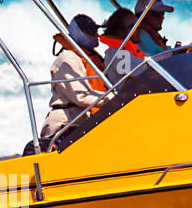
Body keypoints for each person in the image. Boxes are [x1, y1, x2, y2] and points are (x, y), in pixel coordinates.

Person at [38, 13, 107, 141]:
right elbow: (80, 96)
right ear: (79, 32)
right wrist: (115, 99)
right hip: (66, 125)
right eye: (92, 31)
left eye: (97, 30)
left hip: (80, 121)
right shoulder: (68, 58)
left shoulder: (90, 57)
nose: (97, 35)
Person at [98, 7, 144, 85]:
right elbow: (144, 71)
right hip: (130, 96)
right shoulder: (117, 54)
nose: (138, 29)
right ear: (119, 31)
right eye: (133, 26)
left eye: (138, 25)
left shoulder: (125, 50)